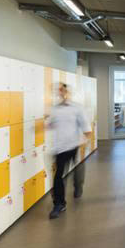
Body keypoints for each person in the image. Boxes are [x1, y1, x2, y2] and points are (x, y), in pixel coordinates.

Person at [46, 83, 92, 220]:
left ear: (68, 92)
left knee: (78, 170)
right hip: (59, 148)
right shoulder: (54, 109)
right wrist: (46, 124)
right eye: (59, 90)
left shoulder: (77, 108)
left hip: (74, 145)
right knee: (58, 176)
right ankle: (59, 204)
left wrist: (85, 142)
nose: (61, 92)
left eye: (63, 90)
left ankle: (78, 186)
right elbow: (51, 124)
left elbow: (86, 127)